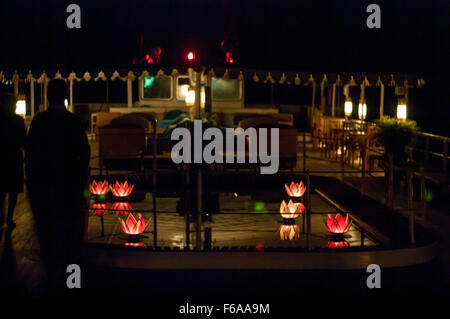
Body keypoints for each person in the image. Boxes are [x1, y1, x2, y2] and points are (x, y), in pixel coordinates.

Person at [25, 79, 90, 293]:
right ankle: (71, 283)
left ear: (47, 96)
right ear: (65, 96)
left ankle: (50, 282)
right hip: (69, 188)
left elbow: (31, 156)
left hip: (44, 188)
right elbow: (84, 157)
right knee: (69, 239)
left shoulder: (38, 122)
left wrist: (33, 186)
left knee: (47, 236)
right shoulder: (74, 122)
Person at [0, 91, 26, 229]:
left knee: (2, 190)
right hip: (14, 157)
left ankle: (2, 216)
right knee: (13, 191)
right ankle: (9, 217)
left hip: (2, 157)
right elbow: (23, 141)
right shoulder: (18, 121)